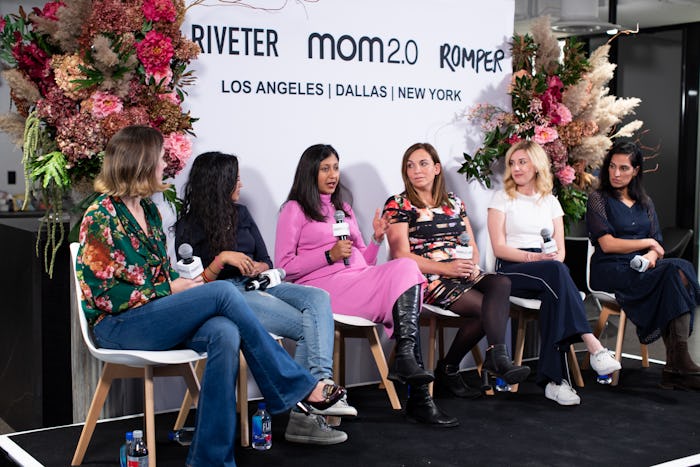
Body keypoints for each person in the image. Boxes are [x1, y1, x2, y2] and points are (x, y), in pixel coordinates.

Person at [76, 126, 346, 467]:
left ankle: (210, 458)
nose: (166, 165)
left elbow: (161, 274)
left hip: (154, 315)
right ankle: (298, 387)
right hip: (117, 326)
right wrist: (168, 288)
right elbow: (103, 295)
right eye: (161, 159)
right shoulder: (100, 216)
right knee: (220, 291)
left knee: (224, 331)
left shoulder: (150, 214)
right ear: (140, 163)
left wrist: (179, 284)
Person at [175, 151, 352, 445]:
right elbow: (192, 284)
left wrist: (259, 267)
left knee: (318, 299)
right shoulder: (189, 224)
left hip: (258, 284)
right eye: (236, 178)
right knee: (314, 327)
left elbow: (267, 260)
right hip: (226, 295)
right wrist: (221, 260)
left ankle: (321, 382)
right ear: (219, 182)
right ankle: (305, 416)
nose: (241, 184)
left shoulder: (241, 214)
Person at [275, 143, 458, 427]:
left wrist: (376, 238)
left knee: (407, 266)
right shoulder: (294, 209)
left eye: (335, 167)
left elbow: (366, 262)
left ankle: (407, 360)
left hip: (360, 279)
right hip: (325, 289)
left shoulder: (343, 209)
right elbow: (284, 266)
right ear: (309, 172)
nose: (333, 174)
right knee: (406, 276)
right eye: (325, 168)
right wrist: (327, 255)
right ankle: (419, 396)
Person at [383, 143, 530, 398]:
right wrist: (447, 269)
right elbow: (400, 256)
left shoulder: (454, 203)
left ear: (437, 168)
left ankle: (496, 355)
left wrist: (472, 266)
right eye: (410, 165)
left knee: (501, 284)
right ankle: (451, 368)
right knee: (487, 309)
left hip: (460, 272)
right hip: (428, 277)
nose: (416, 170)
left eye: (423, 163)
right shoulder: (399, 204)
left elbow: (470, 244)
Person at [487, 140, 621, 406]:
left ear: (537, 164)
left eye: (522, 161)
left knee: (555, 294)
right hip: (512, 269)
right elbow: (499, 248)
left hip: (548, 270)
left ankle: (554, 382)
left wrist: (549, 259)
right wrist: (535, 257)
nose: (516, 168)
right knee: (556, 274)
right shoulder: (502, 198)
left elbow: (560, 251)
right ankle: (592, 345)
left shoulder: (550, 201)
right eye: (512, 163)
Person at [587, 140, 700, 390]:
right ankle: (678, 364)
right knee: (674, 272)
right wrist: (647, 242)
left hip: (640, 268)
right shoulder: (598, 199)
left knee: (679, 269)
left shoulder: (645, 202)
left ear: (636, 170)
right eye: (613, 167)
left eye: (624, 168)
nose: (616, 174)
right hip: (609, 269)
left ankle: (675, 366)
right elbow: (606, 244)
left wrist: (650, 256)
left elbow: (658, 245)